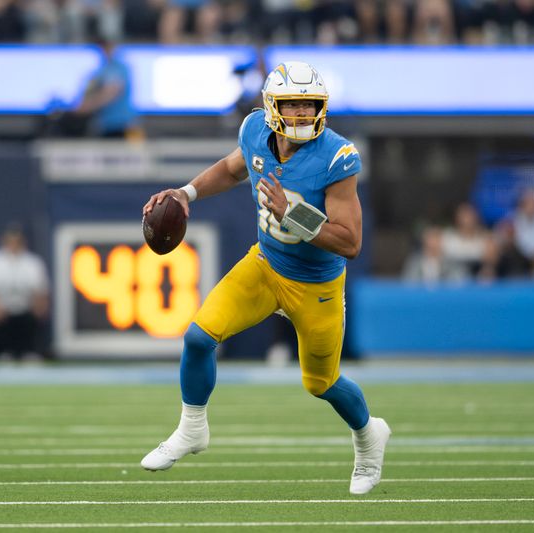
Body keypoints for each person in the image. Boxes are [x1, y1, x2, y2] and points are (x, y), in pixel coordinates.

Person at [140, 61, 390, 495]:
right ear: (272, 107)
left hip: (317, 286)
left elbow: (350, 243)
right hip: (266, 265)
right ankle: (192, 428)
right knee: (199, 337)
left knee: (322, 383)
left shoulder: (337, 155)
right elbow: (233, 168)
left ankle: (369, 438)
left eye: (308, 106)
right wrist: (187, 192)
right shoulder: (255, 130)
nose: (301, 114)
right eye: (292, 105)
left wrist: (292, 214)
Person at [0, 224, 50, 361]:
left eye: (17, 240)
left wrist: (38, 308)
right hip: (1, 312)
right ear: (3, 241)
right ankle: (3, 353)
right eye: (10, 240)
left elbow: (41, 292)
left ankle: (29, 352)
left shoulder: (33, 263)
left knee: (32, 315)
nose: (14, 244)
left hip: (25, 312)